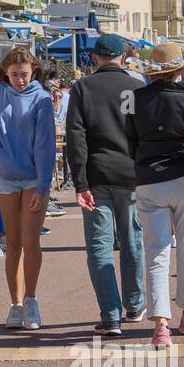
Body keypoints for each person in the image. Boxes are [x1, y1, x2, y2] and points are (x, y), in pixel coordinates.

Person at [125, 42, 184, 347]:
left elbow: (129, 141)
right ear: (181, 69)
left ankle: (160, 325)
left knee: (156, 251)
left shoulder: (134, 99)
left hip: (150, 180)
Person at [64, 33, 146, 337]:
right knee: (132, 241)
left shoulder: (82, 88)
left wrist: (80, 180)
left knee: (99, 247)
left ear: (95, 58)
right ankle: (135, 304)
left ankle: (111, 315)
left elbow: (76, 138)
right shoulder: (137, 88)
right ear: (123, 58)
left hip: (96, 177)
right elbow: (143, 136)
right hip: (131, 175)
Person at [0, 46, 56, 330]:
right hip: (7, 177)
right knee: (13, 243)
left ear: (33, 71)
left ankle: (32, 300)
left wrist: (44, 186)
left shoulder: (42, 99)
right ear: (6, 73)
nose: (19, 80)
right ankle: (16, 304)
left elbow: (46, 146)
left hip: (35, 179)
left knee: (31, 241)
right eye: (14, 75)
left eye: (24, 75)